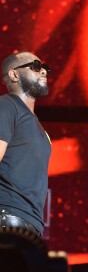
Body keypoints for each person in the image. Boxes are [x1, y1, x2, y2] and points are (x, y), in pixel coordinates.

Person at [0, 51, 51, 236]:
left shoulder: (41, 130)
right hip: (7, 217)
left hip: (31, 223)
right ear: (14, 74)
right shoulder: (6, 106)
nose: (43, 71)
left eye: (45, 68)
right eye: (36, 67)